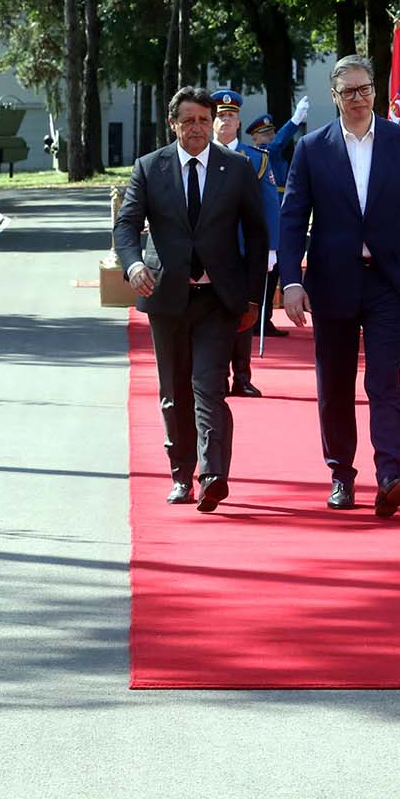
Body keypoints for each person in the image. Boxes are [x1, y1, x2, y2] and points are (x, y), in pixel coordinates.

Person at [277, 55, 400, 519]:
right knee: (334, 384)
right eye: (348, 91)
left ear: (376, 91)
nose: (358, 98)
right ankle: (341, 474)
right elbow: (293, 219)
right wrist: (291, 281)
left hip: (388, 282)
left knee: (384, 380)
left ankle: (392, 474)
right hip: (332, 282)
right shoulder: (312, 148)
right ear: (334, 97)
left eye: (365, 88)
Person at [113, 86, 268, 513]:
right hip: (167, 297)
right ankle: (181, 474)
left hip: (219, 299)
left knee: (208, 386)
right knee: (174, 391)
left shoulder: (235, 169)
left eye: (204, 119)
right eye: (189, 121)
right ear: (174, 124)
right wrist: (132, 265)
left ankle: (213, 474)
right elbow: (126, 227)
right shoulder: (150, 168)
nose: (198, 128)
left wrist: (254, 297)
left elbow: (257, 236)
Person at [209, 88, 282, 396]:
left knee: (242, 314)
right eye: (221, 116)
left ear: (239, 121)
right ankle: (213, 376)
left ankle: (241, 376)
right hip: (208, 252)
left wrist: (271, 248)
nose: (226, 121)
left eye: (232, 116)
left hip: (242, 250)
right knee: (209, 317)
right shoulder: (201, 154)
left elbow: (270, 206)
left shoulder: (256, 159)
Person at [247, 95, 310, 336]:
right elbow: (276, 146)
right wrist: (294, 121)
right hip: (268, 219)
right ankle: (256, 319)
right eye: (264, 134)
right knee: (266, 274)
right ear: (254, 137)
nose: (269, 138)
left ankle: (265, 319)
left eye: (271, 133)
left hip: (284, 217)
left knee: (274, 274)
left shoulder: (275, 154)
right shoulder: (262, 153)